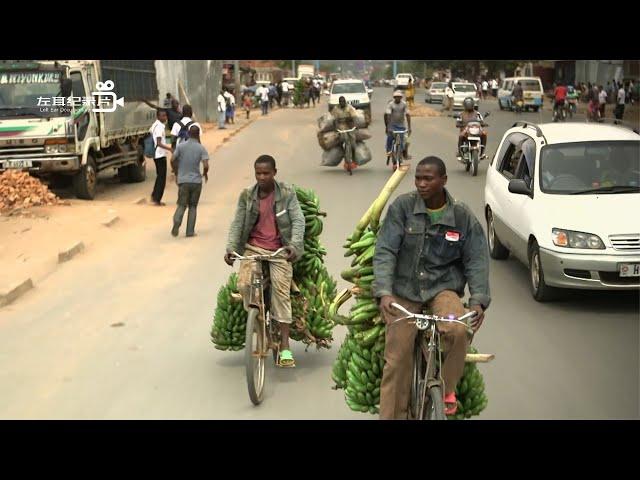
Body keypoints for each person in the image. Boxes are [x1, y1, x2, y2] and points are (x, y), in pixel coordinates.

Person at [373, 156, 490, 420]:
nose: (421, 184)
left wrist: (478, 301)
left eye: (428, 179)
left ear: (443, 180)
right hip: (405, 291)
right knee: (396, 361)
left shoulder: (461, 216)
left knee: (458, 329)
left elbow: (477, 259)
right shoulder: (402, 208)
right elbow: (385, 251)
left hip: (443, 290)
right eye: (418, 178)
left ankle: (446, 389)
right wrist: (384, 291)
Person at [224, 155, 305, 368]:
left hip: (279, 250)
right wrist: (231, 248)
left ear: (274, 173)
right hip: (252, 248)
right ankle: (256, 321)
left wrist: (294, 246)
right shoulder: (247, 196)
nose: (262, 177)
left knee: (280, 293)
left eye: (266, 173)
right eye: (258, 173)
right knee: (243, 284)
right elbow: (237, 222)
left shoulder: (287, 194)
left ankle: (285, 345)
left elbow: (298, 220)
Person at [170, 125, 209, 238]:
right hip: (196, 181)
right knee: (193, 206)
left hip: (183, 181)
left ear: (188, 133)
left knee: (181, 204)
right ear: (198, 135)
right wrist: (205, 173)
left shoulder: (181, 146)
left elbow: (172, 159)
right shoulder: (201, 148)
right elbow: (206, 165)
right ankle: (190, 231)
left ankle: (177, 221)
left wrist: (176, 172)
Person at [149, 109, 174, 206]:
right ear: (158, 116)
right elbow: (158, 143)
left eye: (165, 115)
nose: (165, 117)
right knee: (161, 178)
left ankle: (154, 195)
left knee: (159, 176)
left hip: (158, 154)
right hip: (159, 154)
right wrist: (169, 149)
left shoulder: (155, 125)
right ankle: (157, 199)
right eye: (162, 116)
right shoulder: (159, 127)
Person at [384, 90, 412, 163]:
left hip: (401, 126)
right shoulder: (391, 104)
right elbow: (388, 115)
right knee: (389, 140)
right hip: (392, 126)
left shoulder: (404, 104)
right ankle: (389, 152)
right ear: (394, 97)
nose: (398, 98)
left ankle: (402, 154)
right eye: (396, 97)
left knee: (403, 141)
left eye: (399, 97)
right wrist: (388, 127)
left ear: (401, 97)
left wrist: (409, 127)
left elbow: (407, 114)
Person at [331, 96, 358, 168]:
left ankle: (354, 159)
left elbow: (354, 117)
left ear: (345, 101)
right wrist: (336, 128)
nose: (342, 103)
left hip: (349, 125)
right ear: (339, 102)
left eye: (343, 101)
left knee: (353, 143)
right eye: (341, 102)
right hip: (341, 125)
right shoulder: (336, 109)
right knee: (346, 140)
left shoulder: (349, 107)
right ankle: (347, 160)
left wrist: (355, 125)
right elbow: (335, 120)